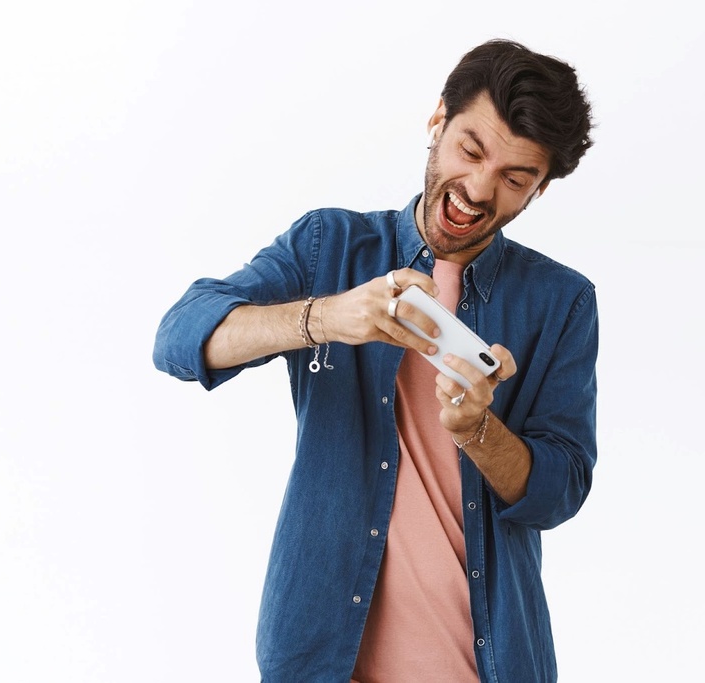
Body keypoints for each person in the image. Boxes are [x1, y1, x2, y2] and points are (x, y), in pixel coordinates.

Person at [152, 38, 597, 683]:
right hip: (321, 659)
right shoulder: (329, 246)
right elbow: (179, 339)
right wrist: (330, 316)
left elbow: (561, 489)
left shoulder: (561, 302)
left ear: (540, 189)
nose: (477, 189)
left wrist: (479, 430)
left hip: (487, 664)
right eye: (470, 150)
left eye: (514, 178)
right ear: (437, 120)